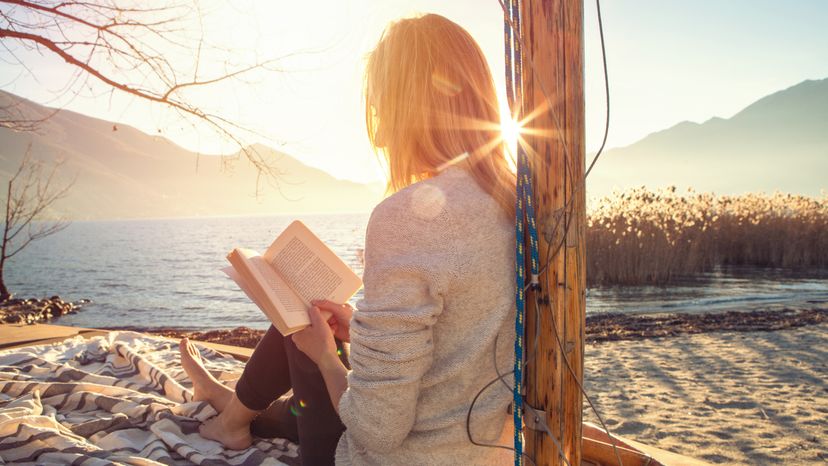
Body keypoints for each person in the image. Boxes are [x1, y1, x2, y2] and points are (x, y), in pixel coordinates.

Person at [179, 13, 517, 465]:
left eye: (377, 107)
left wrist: (327, 358)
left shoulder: (408, 218)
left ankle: (231, 417)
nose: (377, 130)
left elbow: (375, 432)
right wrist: (360, 329)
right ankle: (232, 410)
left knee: (301, 326)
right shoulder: (514, 204)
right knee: (312, 327)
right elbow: (458, 340)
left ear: (401, 109)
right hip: (482, 451)